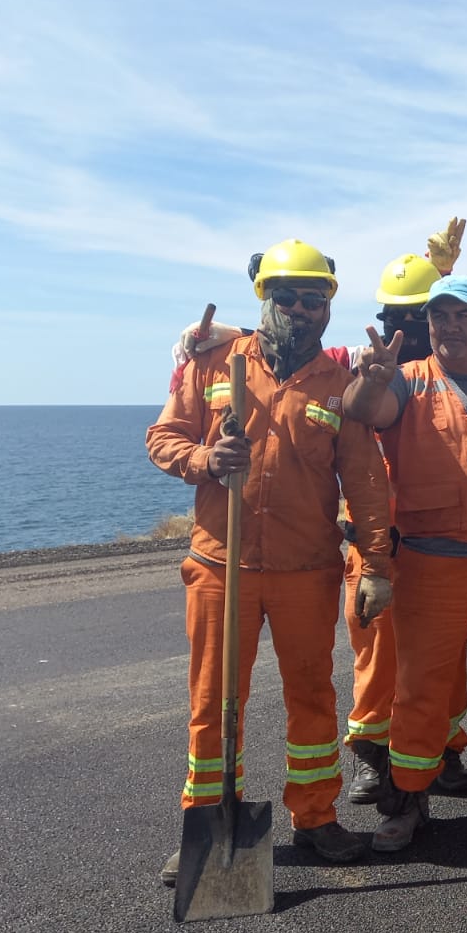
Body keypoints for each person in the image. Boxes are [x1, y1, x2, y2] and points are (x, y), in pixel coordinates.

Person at [147, 238, 393, 882]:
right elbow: (162, 437)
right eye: (288, 296)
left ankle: (315, 816)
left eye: (315, 299)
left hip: (305, 571)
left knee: (311, 696)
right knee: (213, 700)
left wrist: (375, 564)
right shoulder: (214, 364)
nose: (302, 308)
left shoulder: (342, 385)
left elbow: (366, 482)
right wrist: (205, 460)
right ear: (265, 298)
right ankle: (208, 819)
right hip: (219, 567)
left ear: (328, 308)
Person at [343, 275, 467, 848]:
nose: (450, 326)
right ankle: (408, 798)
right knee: (420, 686)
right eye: (439, 317)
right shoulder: (406, 381)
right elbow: (365, 411)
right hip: (431, 563)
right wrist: (373, 377)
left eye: (463, 316)